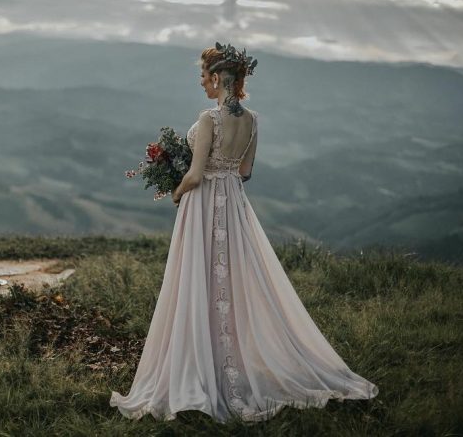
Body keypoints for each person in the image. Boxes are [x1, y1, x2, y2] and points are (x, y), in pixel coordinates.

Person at [110, 43, 378, 422]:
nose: (202, 83)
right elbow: (246, 170)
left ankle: (202, 364)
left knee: (200, 277)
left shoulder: (208, 120)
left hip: (203, 204)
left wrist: (177, 191)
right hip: (233, 203)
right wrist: (223, 176)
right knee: (232, 278)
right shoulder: (252, 119)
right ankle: (230, 355)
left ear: (218, 78)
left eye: (204, 77)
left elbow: (196, 174)